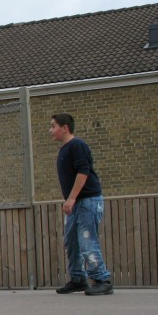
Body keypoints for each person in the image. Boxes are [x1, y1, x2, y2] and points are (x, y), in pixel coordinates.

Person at [50, 113, 113, 296]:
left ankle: (102, 279)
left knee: (87, 241)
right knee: (71, 241)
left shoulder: (78, 146)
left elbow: (83, 172)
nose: (50, 130)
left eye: (53, 126)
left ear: (65, 128)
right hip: (75, 204)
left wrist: (71, 198)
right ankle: (78, 279)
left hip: (87, 201)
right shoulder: (64, 149)